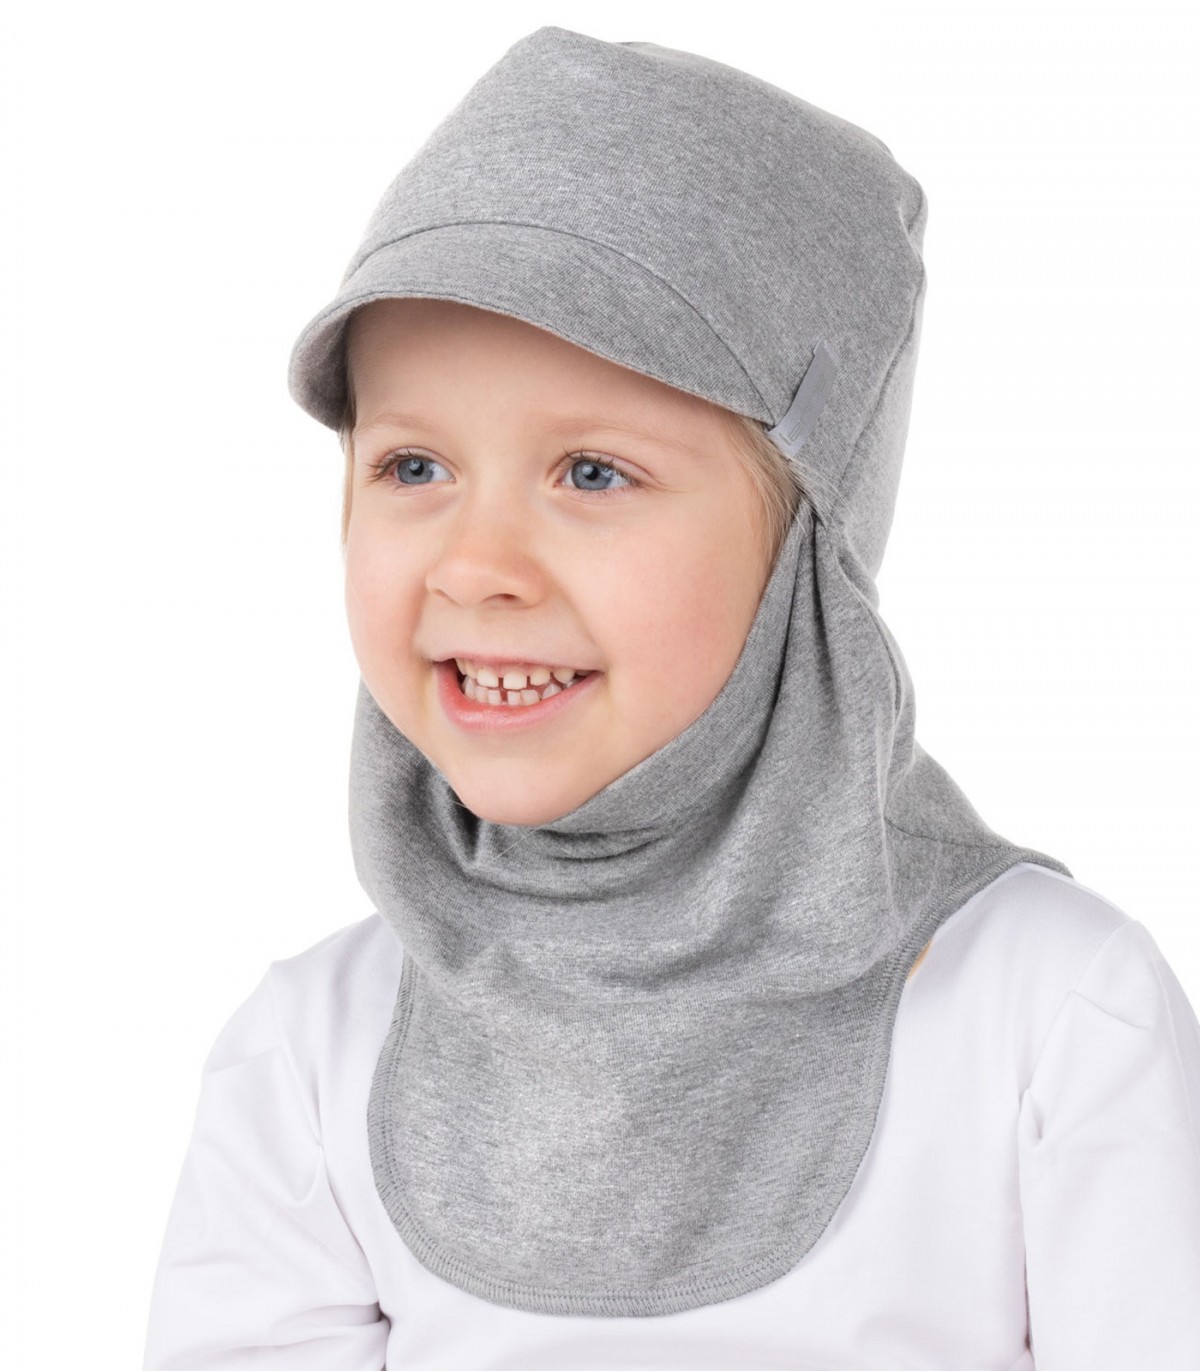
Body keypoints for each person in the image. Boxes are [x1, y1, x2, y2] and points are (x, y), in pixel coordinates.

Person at [142, 25, 1200, 1371]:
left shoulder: (1047, 1016)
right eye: (412, 467)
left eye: (592, 473)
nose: (474, 563)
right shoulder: (308, 1056)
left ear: (808, 545)